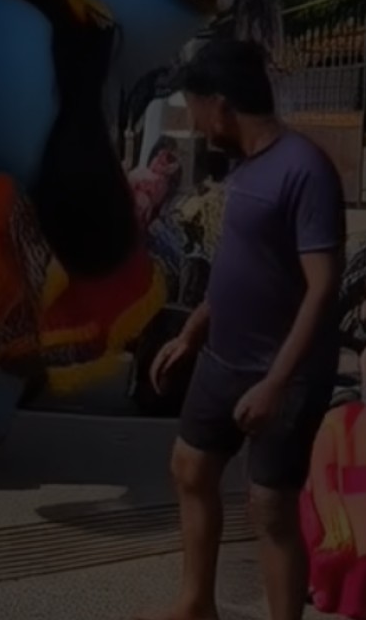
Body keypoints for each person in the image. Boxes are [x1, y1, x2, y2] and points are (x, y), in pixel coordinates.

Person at [142, 40, 344, 620]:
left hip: (285, 372)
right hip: (222, 359)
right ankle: (195, 603)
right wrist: (193, 332)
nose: (198, 125)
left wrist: (277, 384)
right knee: (190, 465)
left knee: (271, 506)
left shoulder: (305, 169)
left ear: (222, 106)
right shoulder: (247, 168)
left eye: (197, 109)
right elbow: (238, 266)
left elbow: (323, 285)